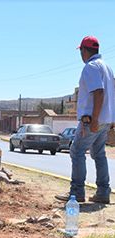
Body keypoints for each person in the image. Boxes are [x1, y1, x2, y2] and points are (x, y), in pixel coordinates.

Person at [56, 36, 115, 204]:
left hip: (93, 120)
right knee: (99, 153)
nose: (80, 55)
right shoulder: (108, 67)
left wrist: (94, 119)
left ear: (84, 50)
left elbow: (99, 92)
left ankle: (77, 193)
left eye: (81, 51)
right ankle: (103, 192)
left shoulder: (91, 67)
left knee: (77, 151)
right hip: (106, 119)